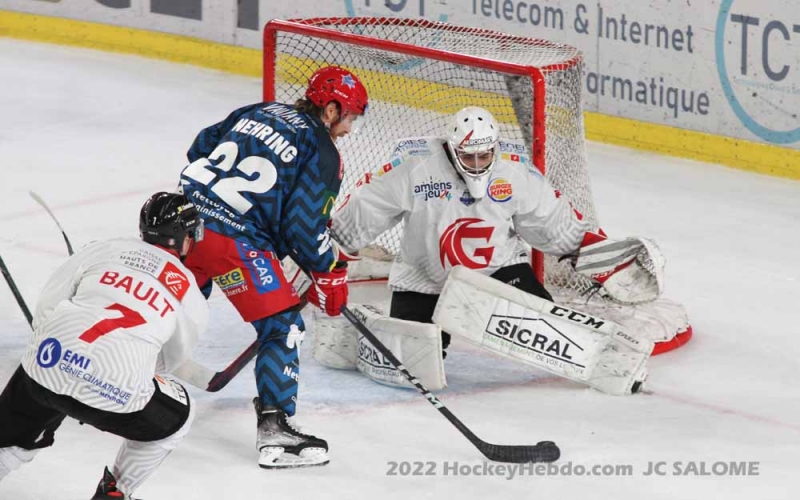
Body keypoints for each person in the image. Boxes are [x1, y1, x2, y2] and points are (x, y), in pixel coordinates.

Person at [178, 65, 368, 468]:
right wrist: (329, 270)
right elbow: (303, 228)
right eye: (349, 117)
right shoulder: (322, 152)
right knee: (283, 328)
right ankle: (276, 433)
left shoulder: (260, 110)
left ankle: (121, 377)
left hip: (181, 223)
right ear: (331, 110)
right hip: (234, 244)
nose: (349, 129)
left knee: (171, 303)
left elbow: (201, 147)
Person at [330, 106, 596, 355]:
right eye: (469, 156)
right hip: (424, 281)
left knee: (557, 335)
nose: (478, 163)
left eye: (485, 155)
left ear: (496, 147)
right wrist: (329, 247)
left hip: (498, 273)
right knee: (413, 356)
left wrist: (590, 250)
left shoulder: (514, 169)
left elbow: (548, 218)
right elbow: (368, 206)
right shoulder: (414, 165)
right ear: (452, 148)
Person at [0, 192, 208, 499]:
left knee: (20, 421)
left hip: (49, 366)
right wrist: (114, 371)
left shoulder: (104, 249)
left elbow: (49, 304)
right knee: (179, 419)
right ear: (186, 238)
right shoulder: (189, 291)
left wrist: (67, 352)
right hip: (118, 392)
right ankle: (116, 492)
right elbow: (172, 359)